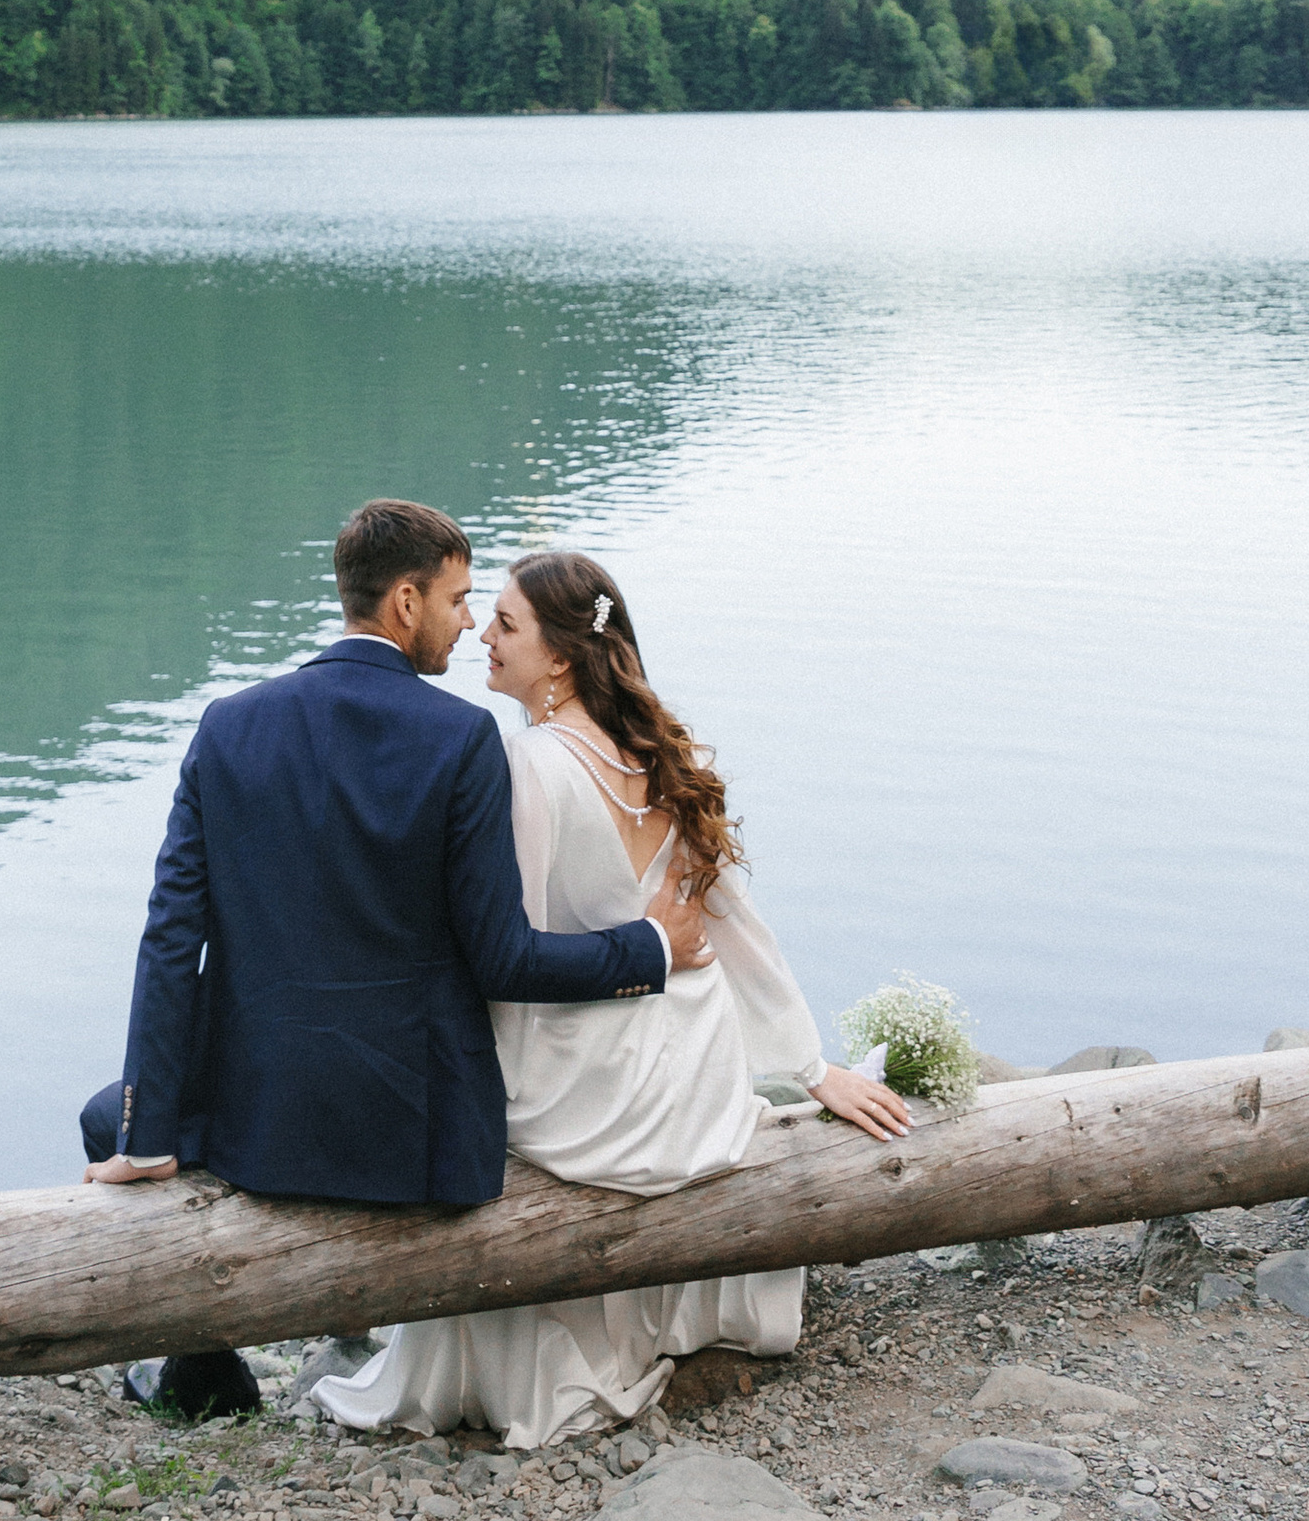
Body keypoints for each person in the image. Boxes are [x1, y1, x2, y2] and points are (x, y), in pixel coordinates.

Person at [312, 546, 906, 1448]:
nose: (482, 634)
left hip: (590, 1093)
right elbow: (737, 929)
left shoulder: (528, 766)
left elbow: (509, 956)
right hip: (691, 1089)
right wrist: (809, 1066)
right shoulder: (658, 755)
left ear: (557, 657)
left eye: (505, 623)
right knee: (683, 995)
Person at [81, 498, 711, 1227]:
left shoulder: (229, 724)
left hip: (257, 1118)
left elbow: (169, 940)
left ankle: (206, 1347)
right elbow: (502, 962)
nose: (469, 623)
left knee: (108, 1119)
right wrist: (651, 946)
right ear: (405, 603)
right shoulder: (463, 737)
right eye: (459, 600)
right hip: (417, 1138)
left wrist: (149, 1134)